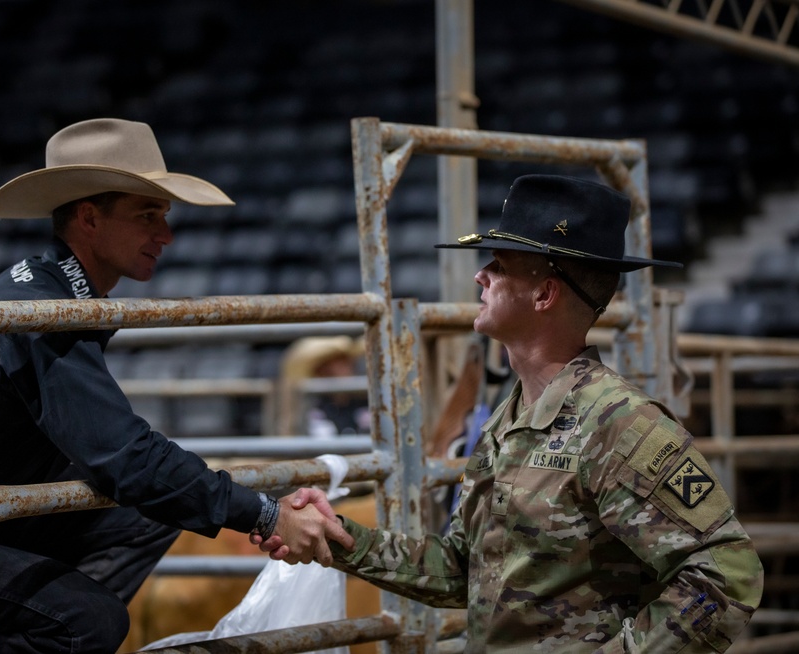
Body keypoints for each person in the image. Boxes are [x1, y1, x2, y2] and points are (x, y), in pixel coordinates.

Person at [0, 118, 353, 654]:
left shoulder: (52, 291)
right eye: (147, 214)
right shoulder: (43, 307)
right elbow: (121, 454)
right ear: (89, 219)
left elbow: (118, 457)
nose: (166, 234)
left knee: (138, 529)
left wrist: (251, 508)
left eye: (164, 216)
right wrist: (265, 513)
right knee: (87, 623)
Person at [261, 175, 764, 652]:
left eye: (499, 265)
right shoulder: (509, 419)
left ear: (545, 294)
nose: (480, 274)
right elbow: (462, 570)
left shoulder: (621, 424)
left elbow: (727, 570)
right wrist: (342, 538)